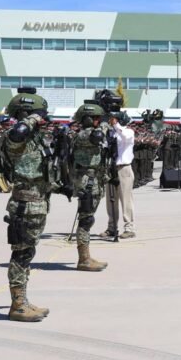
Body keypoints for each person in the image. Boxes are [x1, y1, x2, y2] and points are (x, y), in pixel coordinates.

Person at [0, 88, 72, 321]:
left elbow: (38, 173)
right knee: (21, 254)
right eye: (39, 114)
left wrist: (60, 187)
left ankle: (22, 300)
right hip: (25, 205)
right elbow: (17, 133)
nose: (43, 119)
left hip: (38, 203)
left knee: (27, 253)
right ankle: (18, 305)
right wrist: (32, 118)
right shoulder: (16, 137)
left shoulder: (35, 140)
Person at [70, 101, 111, 272]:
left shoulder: (91, 133)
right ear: (86, 119)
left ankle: (85, 256)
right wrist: (105, 123)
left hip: (94, 180)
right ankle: (84, 259)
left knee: (88, 218)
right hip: (87, 182)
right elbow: (98, 136)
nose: (98, 121)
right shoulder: (84, 134)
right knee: (86, 220)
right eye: (95, 118)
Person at [105, 111, 136, 238]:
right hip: (111, 168)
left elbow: (124, 136)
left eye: (114, 119)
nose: (112, 121)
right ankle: (112, 227)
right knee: (110, 200)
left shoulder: (128, 131)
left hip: (124, 168)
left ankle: (129, 228)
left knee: (126, 200)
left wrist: (116, 125)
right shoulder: (110, 132)